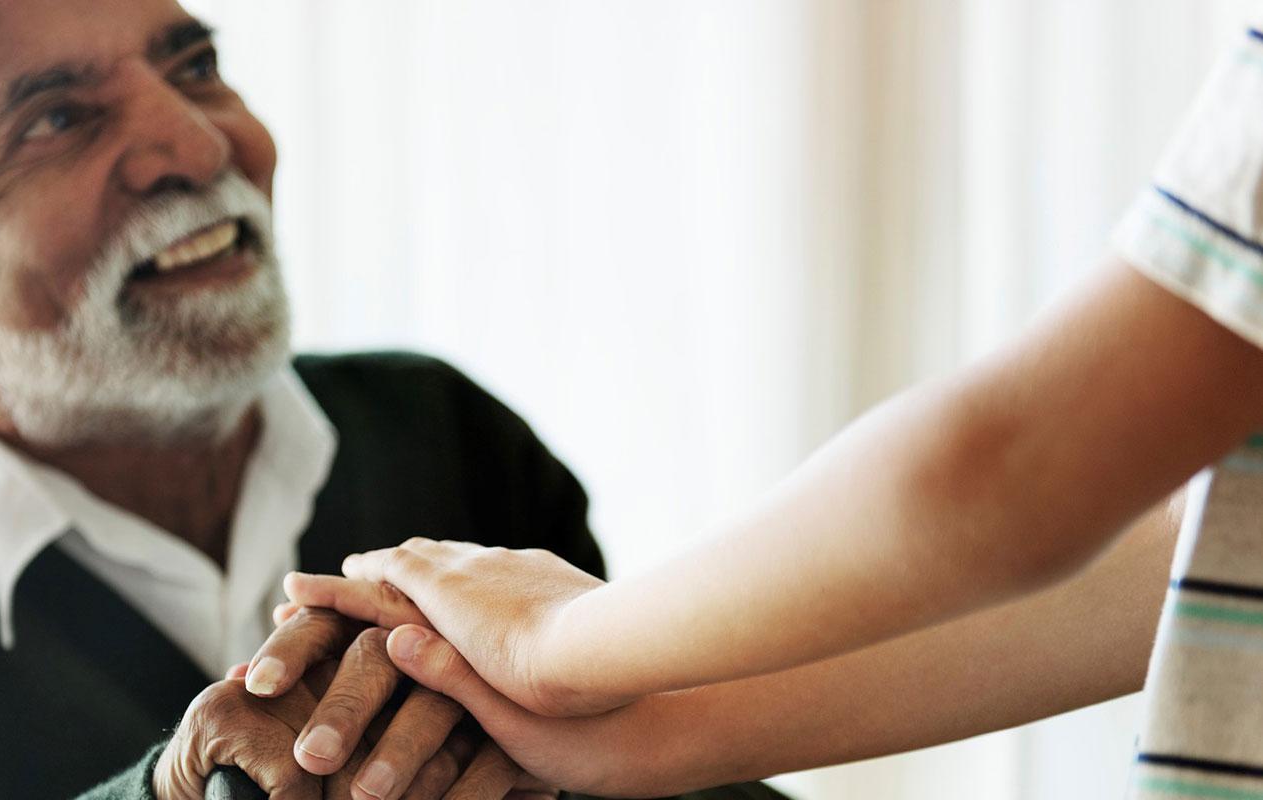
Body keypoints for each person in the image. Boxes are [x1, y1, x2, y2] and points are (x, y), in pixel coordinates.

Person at [0, 2, 793, 800]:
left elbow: (678, 775)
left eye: (193, 64)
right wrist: (168, 793)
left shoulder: (447, 434)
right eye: (58, 117)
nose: (203, 145)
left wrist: (587, 761)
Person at [273, 22, 1263, 800]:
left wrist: (560, 642)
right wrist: (648, 730)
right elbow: (1195, 546)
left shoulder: (440, 425)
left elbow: (1016, 473)